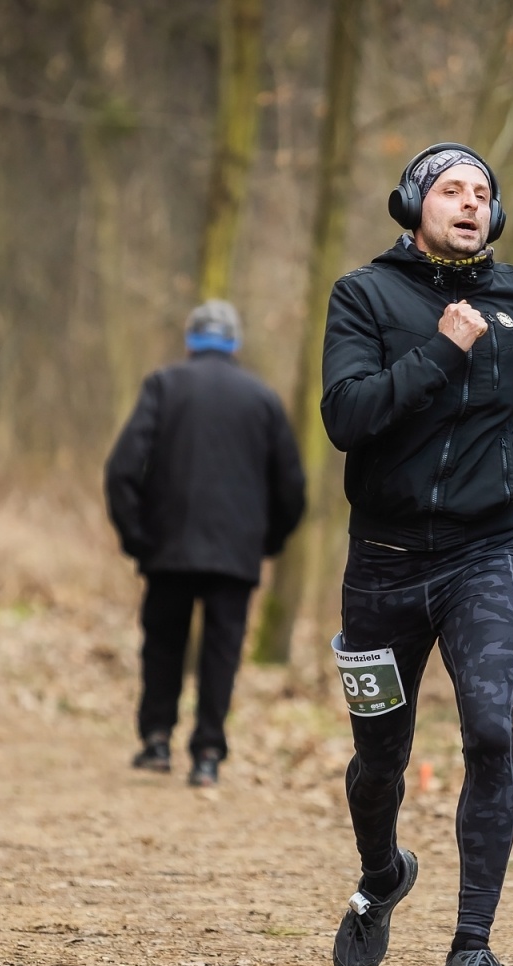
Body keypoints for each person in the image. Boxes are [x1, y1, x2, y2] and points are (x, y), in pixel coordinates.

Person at [320, 143, 513, 966]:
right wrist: (441, 351)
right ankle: (382, 872)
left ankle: (471, 952)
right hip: (384, 563)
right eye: (451, 189)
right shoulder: (363, 296)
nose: (470, 203)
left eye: (483, 192)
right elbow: (346, 416)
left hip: (486, 553)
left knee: (490, 733)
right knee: (379, 760)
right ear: (413, 204)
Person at [104, 300, 306, 787]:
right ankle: (209, 752)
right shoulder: (263, 399)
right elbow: (292, 488)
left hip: (166, 547)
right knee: (221, 651)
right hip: (235, 554)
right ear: (235, 343)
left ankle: (155, 740)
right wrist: (268, 541)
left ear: (191, 341)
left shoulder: (163, 385)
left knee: (163, 643)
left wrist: (137, 538)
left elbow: (122, 470)